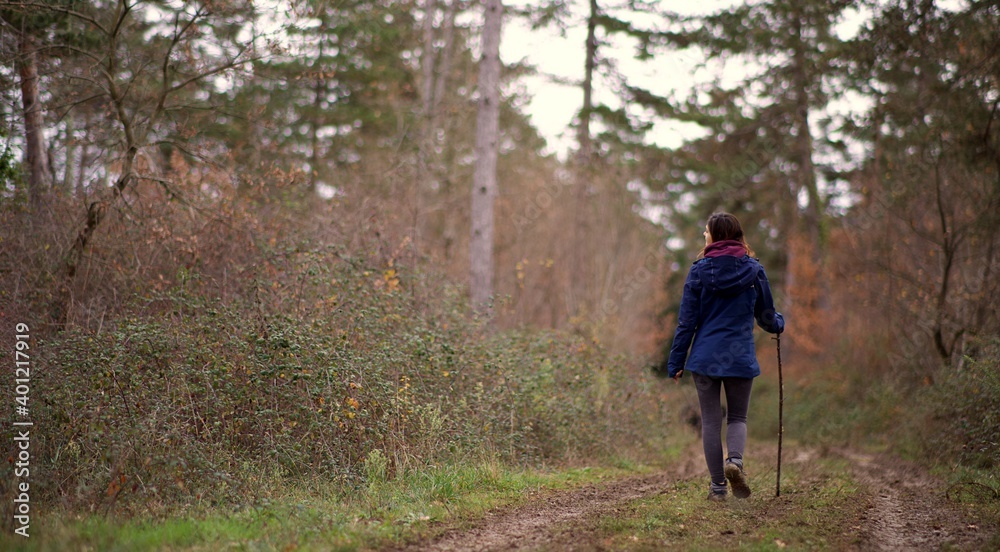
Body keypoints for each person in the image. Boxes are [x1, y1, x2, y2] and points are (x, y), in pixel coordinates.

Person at [666, 212, 784, 502]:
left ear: (716, 236)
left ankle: (718, 488)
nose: (704, 237)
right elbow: (767, 317)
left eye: (706, 232)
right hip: (739, 357)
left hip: (705, 358)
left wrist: (676, 362)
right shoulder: (755, 271)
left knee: (710, 421)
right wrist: (778, 324)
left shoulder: (698, 272)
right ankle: (735, 462)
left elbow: (686, 323)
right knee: (738, 417)